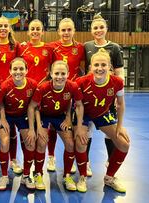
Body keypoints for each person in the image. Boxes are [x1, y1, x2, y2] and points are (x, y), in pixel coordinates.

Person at [74, 48, 130, 193]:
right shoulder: (81, 82)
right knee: (81, 142)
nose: (100, 68)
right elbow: (77, 106)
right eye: (96, 65)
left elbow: (121, 104)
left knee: (124, 144)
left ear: (110, 67)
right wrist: (79, 126)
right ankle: (82, 177)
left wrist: (119, 126)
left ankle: (109, 177)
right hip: (84, 114)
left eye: (103, 65)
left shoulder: (117, 82)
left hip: (103, 113)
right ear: (90, 67)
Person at [28, 60, 84, 191]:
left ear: (68, 74)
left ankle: (67, 175)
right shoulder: (43, 87)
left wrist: (70, 119)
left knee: (70, 144)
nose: (59, 76)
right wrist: (38, 126)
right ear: (51, 74)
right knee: (41, 142)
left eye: (63, 73)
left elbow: (79, 105)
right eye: (56, 73)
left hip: (60, 117)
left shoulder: (73, 86)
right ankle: (38, 174)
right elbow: (32, 107)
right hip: (44, 116)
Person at [83, 14, 124, 177]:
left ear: (106, 29)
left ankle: (110, 161)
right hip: (91, 93)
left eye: (101, 27)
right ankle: (85, 162)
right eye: (95, 28)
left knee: (110, 132)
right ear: (91, 30)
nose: (98, 30)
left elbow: (119, 72)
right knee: (88, 130)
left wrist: (116, 94)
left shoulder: (114, 47)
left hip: (108, 95)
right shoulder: (86, 46)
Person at [47, 18, 85, 173]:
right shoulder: (52, 47)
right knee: (52, 126)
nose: (66, 33)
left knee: (75, 127)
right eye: (63, 30)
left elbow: (83, 70)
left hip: (73, 92)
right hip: (56, 91)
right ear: (58, 31)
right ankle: (51, 156)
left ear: (74, 31)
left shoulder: (80, 48)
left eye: (69, 30)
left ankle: (79, 159)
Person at [0, 57, 38, 190]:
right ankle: (4, 176)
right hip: (7, 115)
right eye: (15, 69)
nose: (18, 72)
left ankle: (26, 176)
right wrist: (2, 118)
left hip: (24, 116)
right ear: (10, 71)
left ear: (26, 70)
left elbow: (33, 107)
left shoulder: (33, 85)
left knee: (30, 142)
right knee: (5, 142)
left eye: (21, 69)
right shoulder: (5, 86)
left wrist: (32, 128)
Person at [0, 16, 23, 174]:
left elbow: (20, 66)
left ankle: (13, 159)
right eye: (0, 26)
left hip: (10, 91)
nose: (3, 28)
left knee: (11, 127)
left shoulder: (16, 46)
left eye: (5, 26)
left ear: (9, 29)